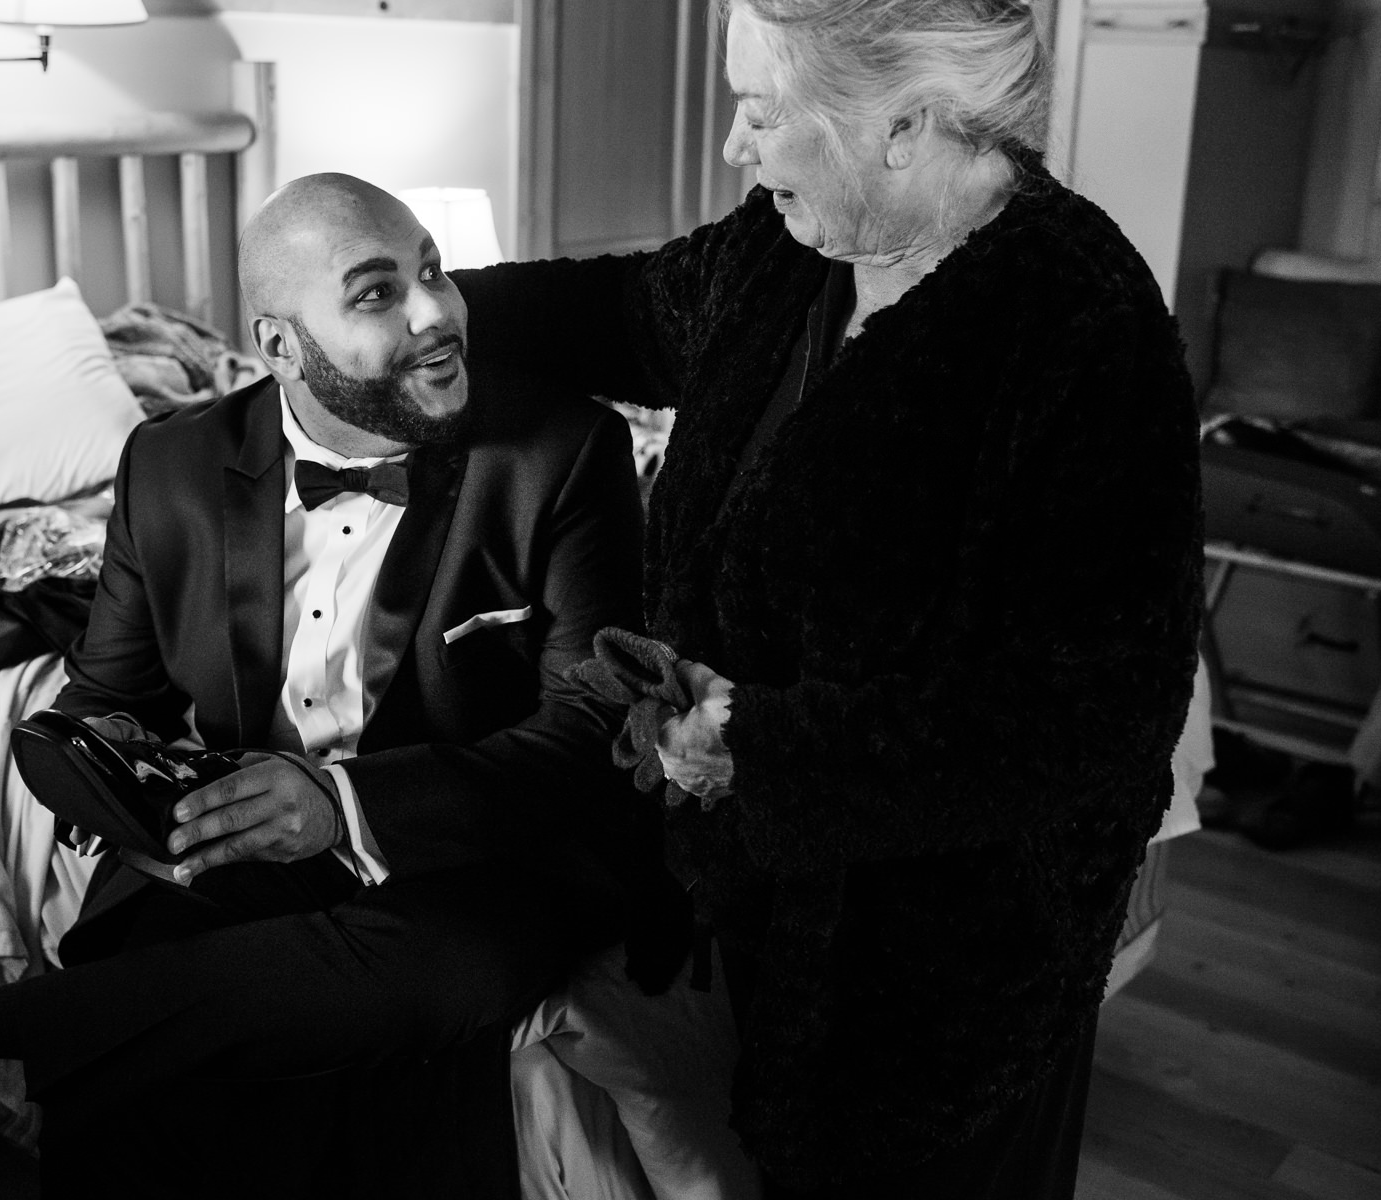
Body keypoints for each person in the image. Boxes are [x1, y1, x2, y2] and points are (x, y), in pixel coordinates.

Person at [0, 173, 693, 1197]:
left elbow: (588, 731)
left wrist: (343, 810)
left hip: (459, 843)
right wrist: (137, 808)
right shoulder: (170, 465)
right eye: (375, 293)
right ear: (278, 347)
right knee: (135, 1065)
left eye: (433, 271)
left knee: (473, 969)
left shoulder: (564, 450)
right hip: (237, 844)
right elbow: (100, 703)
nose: (438, 312)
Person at [449, 0, 1203, 1195]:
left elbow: (1091, 723)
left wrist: (763, 743)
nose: (736, 147)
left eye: (761, 110)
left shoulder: (1079, 327)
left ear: (903, 124)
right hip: (748, 907)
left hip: (939, 980)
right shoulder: (786, 250)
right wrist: (441, 305)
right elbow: (627, 308)